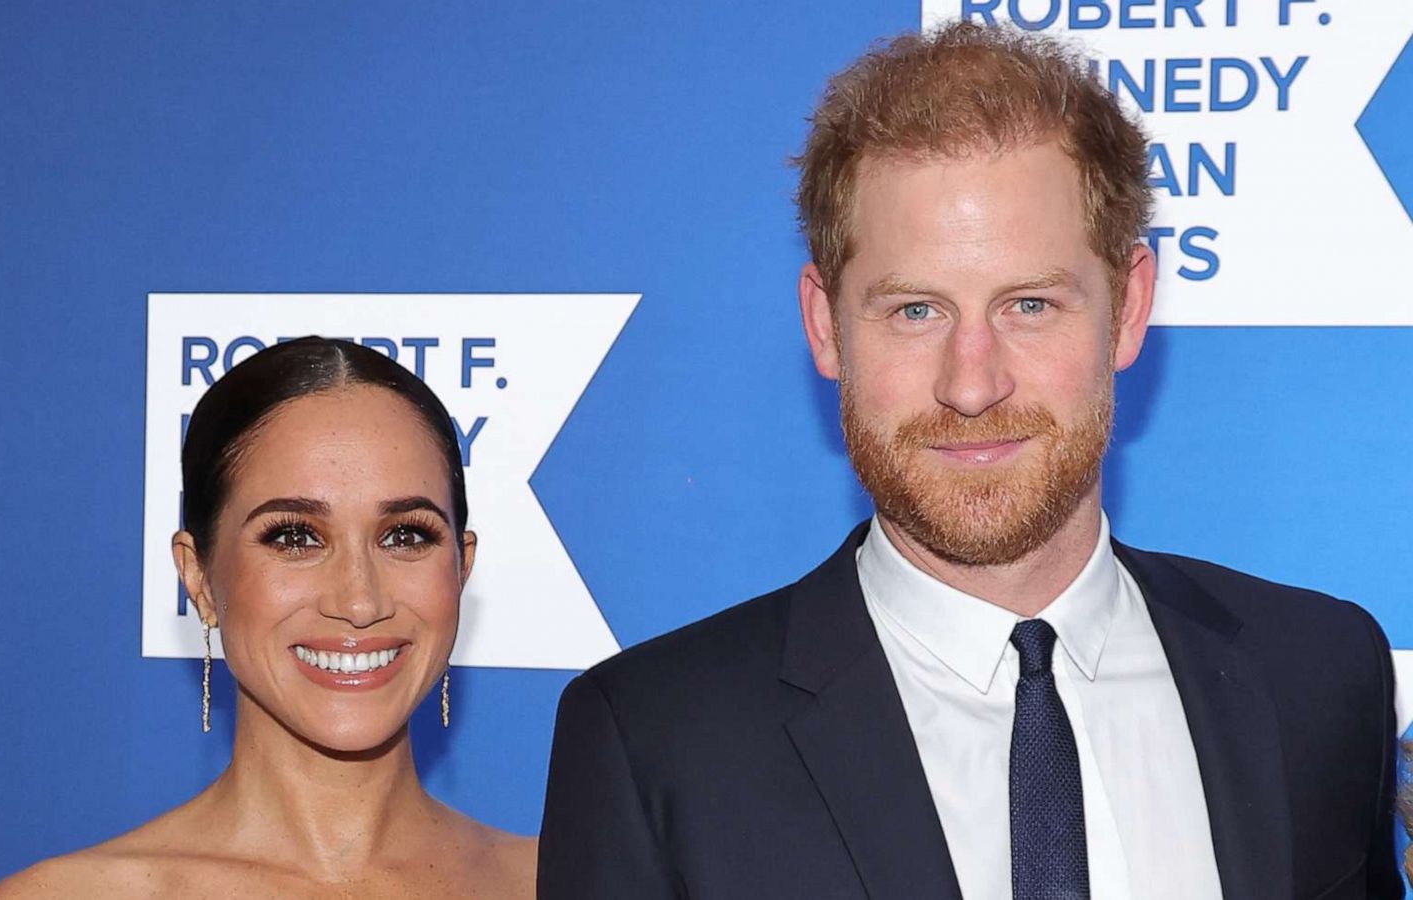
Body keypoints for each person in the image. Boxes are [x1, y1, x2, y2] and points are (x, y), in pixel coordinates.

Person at [538, 22, 1400, 900]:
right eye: (915, 311)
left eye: (1029, 304)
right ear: (824, 325)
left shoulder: (1323, 674)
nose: (972, 382)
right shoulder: (654, 743)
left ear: (1131, 307)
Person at [0, 337, 535, 897]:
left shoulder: (574, 878)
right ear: (197, 576)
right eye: (295, 537)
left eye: (404, 535)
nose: (359, 601)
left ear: (461, 567)